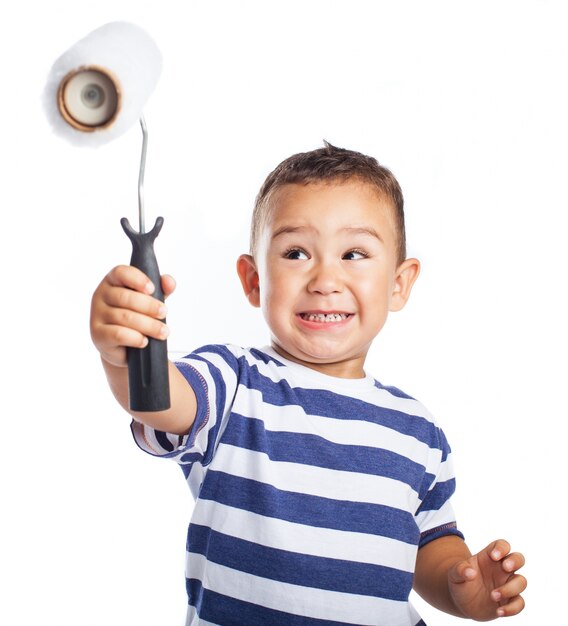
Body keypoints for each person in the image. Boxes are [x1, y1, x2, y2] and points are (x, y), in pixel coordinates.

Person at [90, 142, 527, 625]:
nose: (325, 279)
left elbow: (429, 544)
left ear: (399, 284)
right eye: (296, 253)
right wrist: (124, 350)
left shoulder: (418, 431)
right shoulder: (232, 384)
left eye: (354, 253)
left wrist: (457, 584)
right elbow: (159, 400)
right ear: (254, 280)